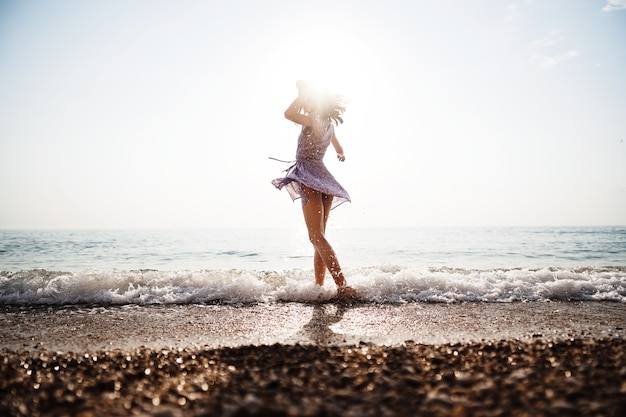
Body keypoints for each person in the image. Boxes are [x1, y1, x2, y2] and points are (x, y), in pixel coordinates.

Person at [272, 81, 356, 300]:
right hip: (323, 178)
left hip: (309, 175)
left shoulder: (312, 120)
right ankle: (319, 288)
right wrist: (341, 154)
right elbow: (338, 145)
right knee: (320, 238)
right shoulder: (329, 124)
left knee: (316, 237)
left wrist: (302, 95)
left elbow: (288, 114)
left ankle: (343, 286)